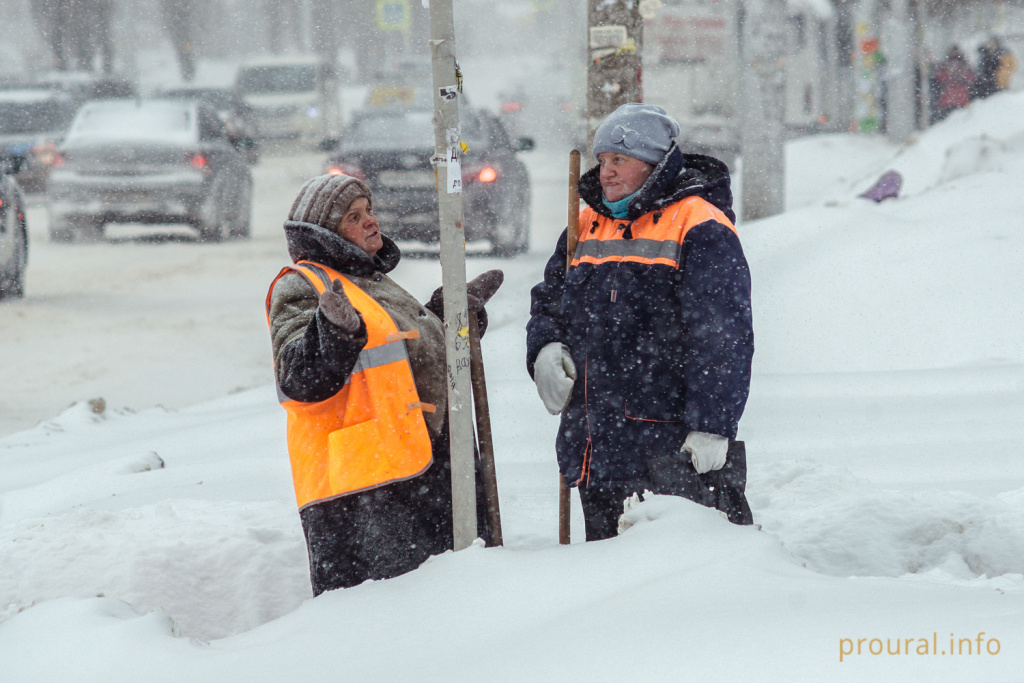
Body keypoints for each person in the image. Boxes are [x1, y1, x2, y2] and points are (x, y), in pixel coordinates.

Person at [526, 103, 754, 542]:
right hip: (592, 447)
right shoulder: (586, 223)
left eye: (620, 159)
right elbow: (549, 300)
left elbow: (722, 337)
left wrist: (712, 424)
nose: (606, 172)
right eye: (602, 160)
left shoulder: (699, 225)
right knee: (600, 569)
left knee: (666, 570)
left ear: (654, 164)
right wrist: (545, 347)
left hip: (663, 450)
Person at [266, 174, 502, 594]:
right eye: (354, 217)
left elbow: (401, 356)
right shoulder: (302, 286)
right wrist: (333, 332)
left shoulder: (368, 279)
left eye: (369, 211)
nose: (371, 221)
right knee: (395, 613)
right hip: (367, 492)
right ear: (326, 233)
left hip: (422, 469)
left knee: (459, 598)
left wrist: (449, 316)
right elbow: (297, 379)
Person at [935, 46, 974, 121]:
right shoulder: (946, 64)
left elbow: (970, 77)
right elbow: (939, 78)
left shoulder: (963, 64)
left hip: (960, 96)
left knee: (961, 120)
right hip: (949, 97)